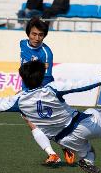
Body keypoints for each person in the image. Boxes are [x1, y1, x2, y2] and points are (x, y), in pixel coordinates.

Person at [19, 17, 75, 165]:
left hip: (41, 91)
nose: (37, 38)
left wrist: (36, 94)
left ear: (44, 36)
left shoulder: (46, 53)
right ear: (28, 34)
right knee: (30, 120)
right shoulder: (22, 44)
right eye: (34, 34)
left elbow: (46, 77)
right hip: (26, 90)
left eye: (40, 35)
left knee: (45, 123)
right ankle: (53, 154)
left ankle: (64, 146)